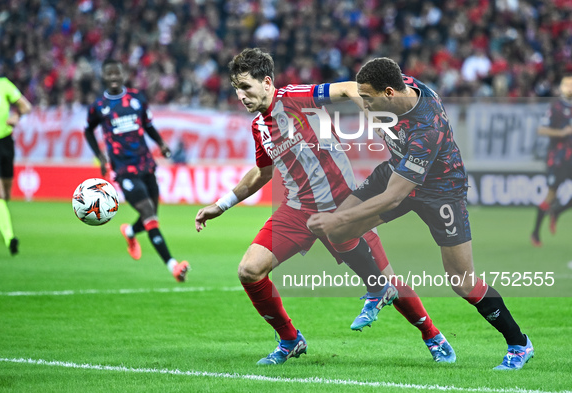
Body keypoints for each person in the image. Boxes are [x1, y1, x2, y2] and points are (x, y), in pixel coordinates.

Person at [195, 48, 455, 365]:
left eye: (246, 87)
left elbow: (347, 88)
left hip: (343, 205)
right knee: (249, 270)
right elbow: (263, 172)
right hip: (297, 210)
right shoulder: (258, 127)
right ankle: (290, 339)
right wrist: (221, 205)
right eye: (236, 89)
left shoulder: (297, 97)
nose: (240, 95)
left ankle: (433, 336)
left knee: (385, 282)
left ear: (266, 82)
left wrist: (378, 119)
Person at [307, 57, 533, 370]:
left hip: (440, 189)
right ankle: (379, 286)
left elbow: (393, 197)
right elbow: (349, 90)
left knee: (462, 282)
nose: (363, 104)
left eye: (368, 98)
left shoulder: (427, 126)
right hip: (397, 170)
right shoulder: (398, 87)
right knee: (338, 233)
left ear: (388, 93)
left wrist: (337, 216)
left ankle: (519, 344)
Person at [84, 58, 189, 282]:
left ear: (123, 75)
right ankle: (173, 266)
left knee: (152, 214)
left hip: (146, 164)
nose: (113, 77)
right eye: (109, 74)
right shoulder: (99, 105)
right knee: (150, 215)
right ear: (104, 77)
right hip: (123, 169)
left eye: (117, 73)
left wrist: (161, 144)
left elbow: (148, 125)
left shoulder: (136, 99)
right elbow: (88, 131)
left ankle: (130, 232)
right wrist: (101, 157)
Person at [0, 49, 32, 255]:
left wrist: (17, 117)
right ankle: (10, 238)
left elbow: (26, 106)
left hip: (5, 143)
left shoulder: (3, 85)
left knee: (6, 195)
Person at [531, 74, 572, 246]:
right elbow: (541, 129)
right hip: (558, 158)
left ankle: (556, 213)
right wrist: (561, 133)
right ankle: (535, 233)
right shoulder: (555, 107)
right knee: (551, 195)